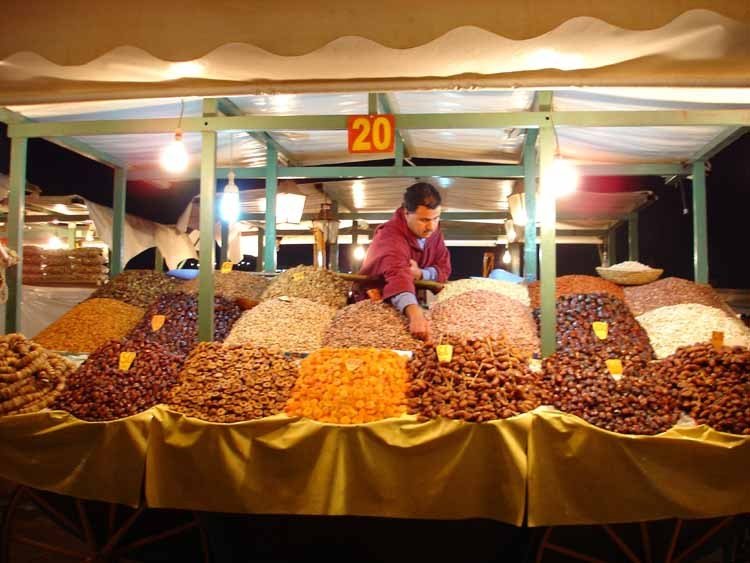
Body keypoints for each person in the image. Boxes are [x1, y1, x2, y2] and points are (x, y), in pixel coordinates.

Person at [357, 182, 451, 341]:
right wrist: (415, 314)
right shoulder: (390, 236)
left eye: (436, 218)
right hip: (373, 308)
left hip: (407, 306)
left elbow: (444, 267)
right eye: (424, 220)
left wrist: (422, 273)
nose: (431, 226)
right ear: (406, 213)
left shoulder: (434, 233)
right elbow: (398, 275)